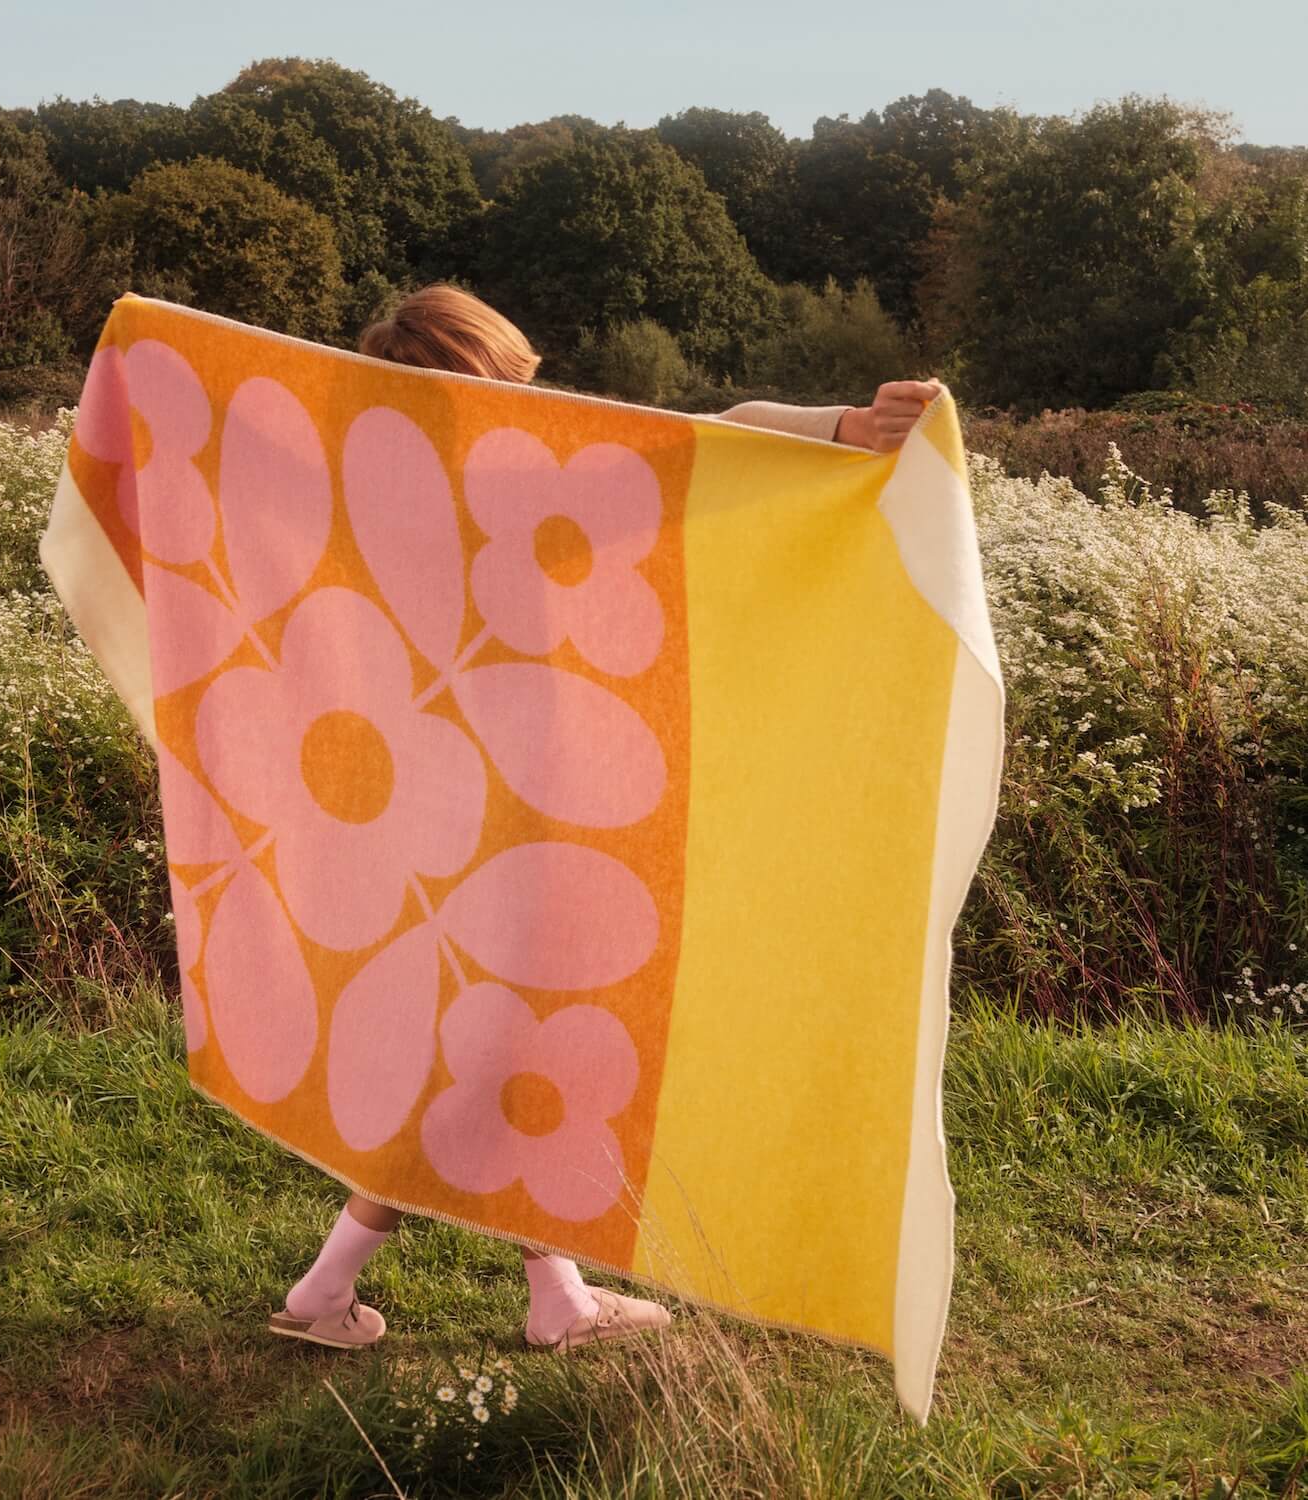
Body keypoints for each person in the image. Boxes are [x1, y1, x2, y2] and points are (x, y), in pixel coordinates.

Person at [268, 284, 939, 1355]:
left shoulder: (377, 487)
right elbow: (715, 442)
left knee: (492, 1053)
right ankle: (338, 1289)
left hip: (435, 813)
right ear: (494, 365)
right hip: (544, 825)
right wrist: (844, 431)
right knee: (509, 1056)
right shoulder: (536, 469)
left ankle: (548, 1296)